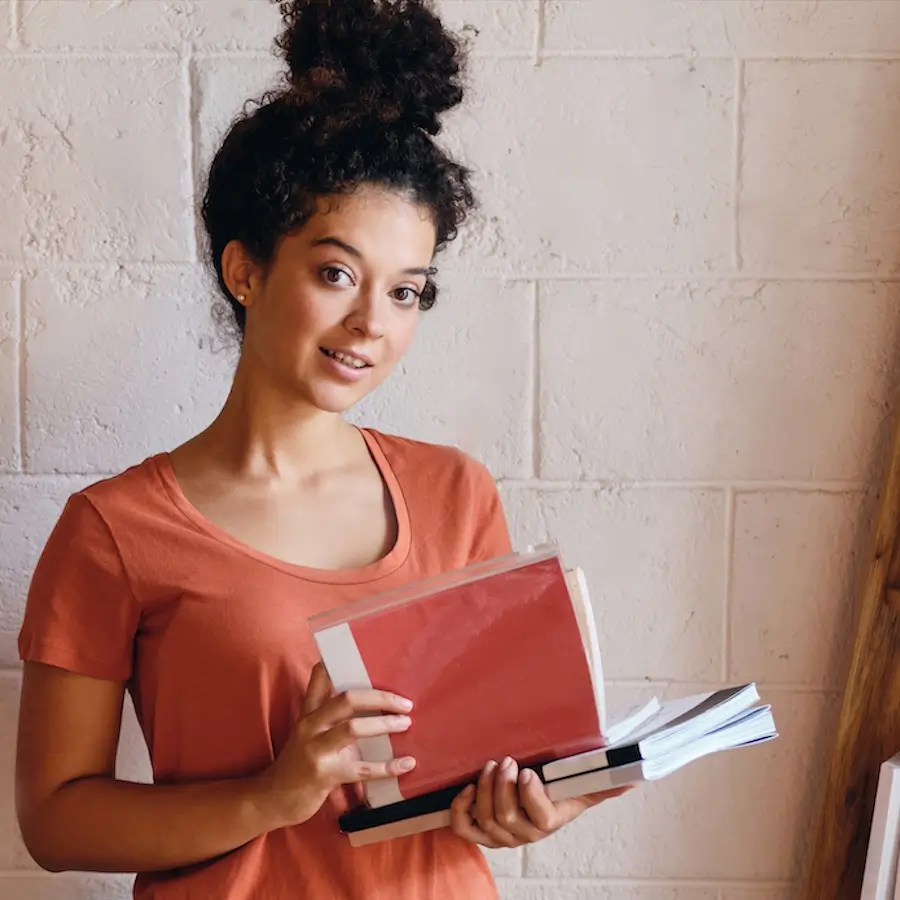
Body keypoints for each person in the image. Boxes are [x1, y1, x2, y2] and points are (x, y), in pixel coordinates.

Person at [14, 1, 627, 897]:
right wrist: (273, 795)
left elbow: (499, 758)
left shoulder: (456, 493)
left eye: (408, 291)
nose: (371, 324)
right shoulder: (114, 530)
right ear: (246, 270)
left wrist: (532, 801)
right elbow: (55, 821)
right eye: (336, 273)